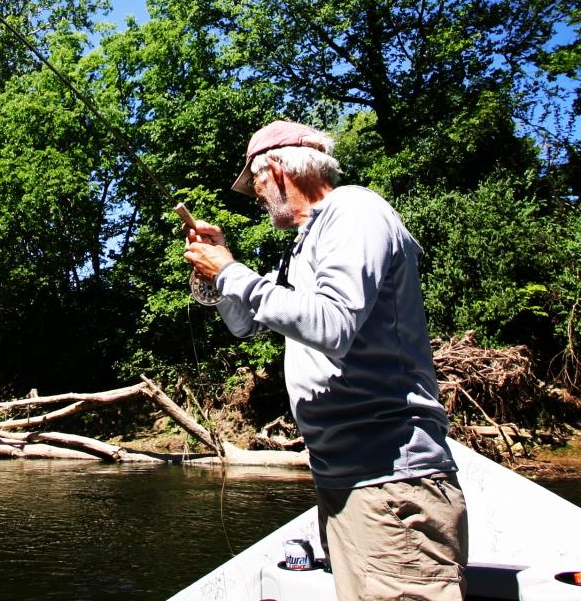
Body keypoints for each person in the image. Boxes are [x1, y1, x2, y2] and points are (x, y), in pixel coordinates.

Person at [182, 120, 468, 601]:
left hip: (391, 480)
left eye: (255, 185)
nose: (258, 197)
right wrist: (218, 265)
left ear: (274, 168)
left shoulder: (353, 211)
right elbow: (245, 323)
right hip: (345, 480)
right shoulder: (305, 245)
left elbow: (333, 324)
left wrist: (231, 272)